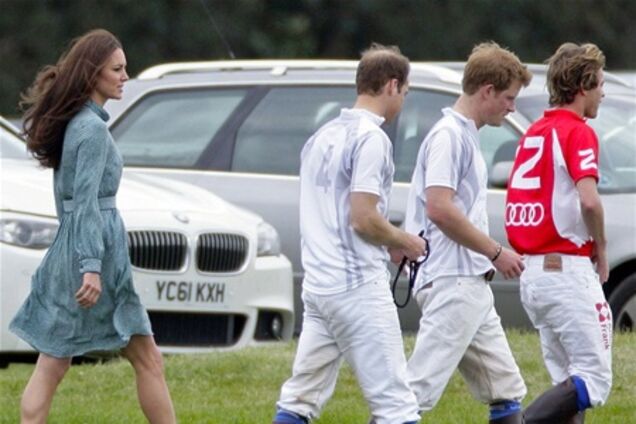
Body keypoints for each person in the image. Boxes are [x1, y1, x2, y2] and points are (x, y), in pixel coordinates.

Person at [10, 29, 176, 424]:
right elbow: (83, 203)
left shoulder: (76, 123)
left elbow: (69, 204)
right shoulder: (92, 130)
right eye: (116, 69)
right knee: (148, 358)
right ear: (92, 74)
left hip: (76, 249)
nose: (125, 76)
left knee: (54, 363)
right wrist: (91, 265)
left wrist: (80, 258)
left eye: (125, 69)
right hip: (96, 252)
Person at [272, 43, 427, 424]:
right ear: (392, 85)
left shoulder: (322, 135)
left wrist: (386, 241)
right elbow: (362, 218)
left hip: (320, 285)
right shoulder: (372, 138)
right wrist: (406, 241)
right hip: (357, 286)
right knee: (396, 405)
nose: (402, 102)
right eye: (405, 93)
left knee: (299, 398)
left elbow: (341, 213)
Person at [403, 42, 532, 424]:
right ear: (487, 91)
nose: (511, 107)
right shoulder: (449, 136)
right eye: (508, 98)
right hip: (453, 281)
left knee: (506, 389)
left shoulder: (464, 135)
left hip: (469, 284)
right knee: (413, 394)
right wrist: (496, 252)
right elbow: (439, 208)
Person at [505, 42, 611, 424]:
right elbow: (589, 201)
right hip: (564, 268)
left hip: (533, 273)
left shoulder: (534, 130)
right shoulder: (577, 132)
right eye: (599, 84)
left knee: (568, 381)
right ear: (583, 86)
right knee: (594, 379)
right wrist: (601, 246)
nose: (603, 92)